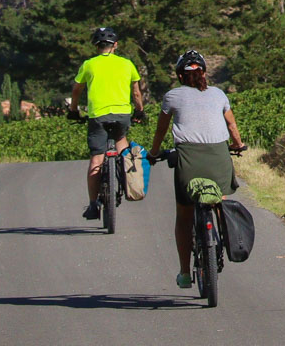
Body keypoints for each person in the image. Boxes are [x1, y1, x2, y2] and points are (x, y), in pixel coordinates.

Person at [149, 49, 246, 289]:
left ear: (180, 76)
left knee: (184, 215)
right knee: (219, 199)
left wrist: (153, 153)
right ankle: (225, 236)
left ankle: (184, 272)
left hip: (188, 159)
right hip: (219, 158)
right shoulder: (219, 94)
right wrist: (238, 145)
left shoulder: (172, 96)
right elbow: (231, 125)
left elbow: (161, 131)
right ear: (204, 73)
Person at [72, 27, 145, 220]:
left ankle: (93, 204)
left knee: (97, 159)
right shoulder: (127, 64)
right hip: (122, 114)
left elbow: (76, 91)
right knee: (123, 147)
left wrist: (73, 111)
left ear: (97, 46)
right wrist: (139, 110)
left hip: (98, 116)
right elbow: (136, 93)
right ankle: (130, 183)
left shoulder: (89, 65)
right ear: (115, 45)